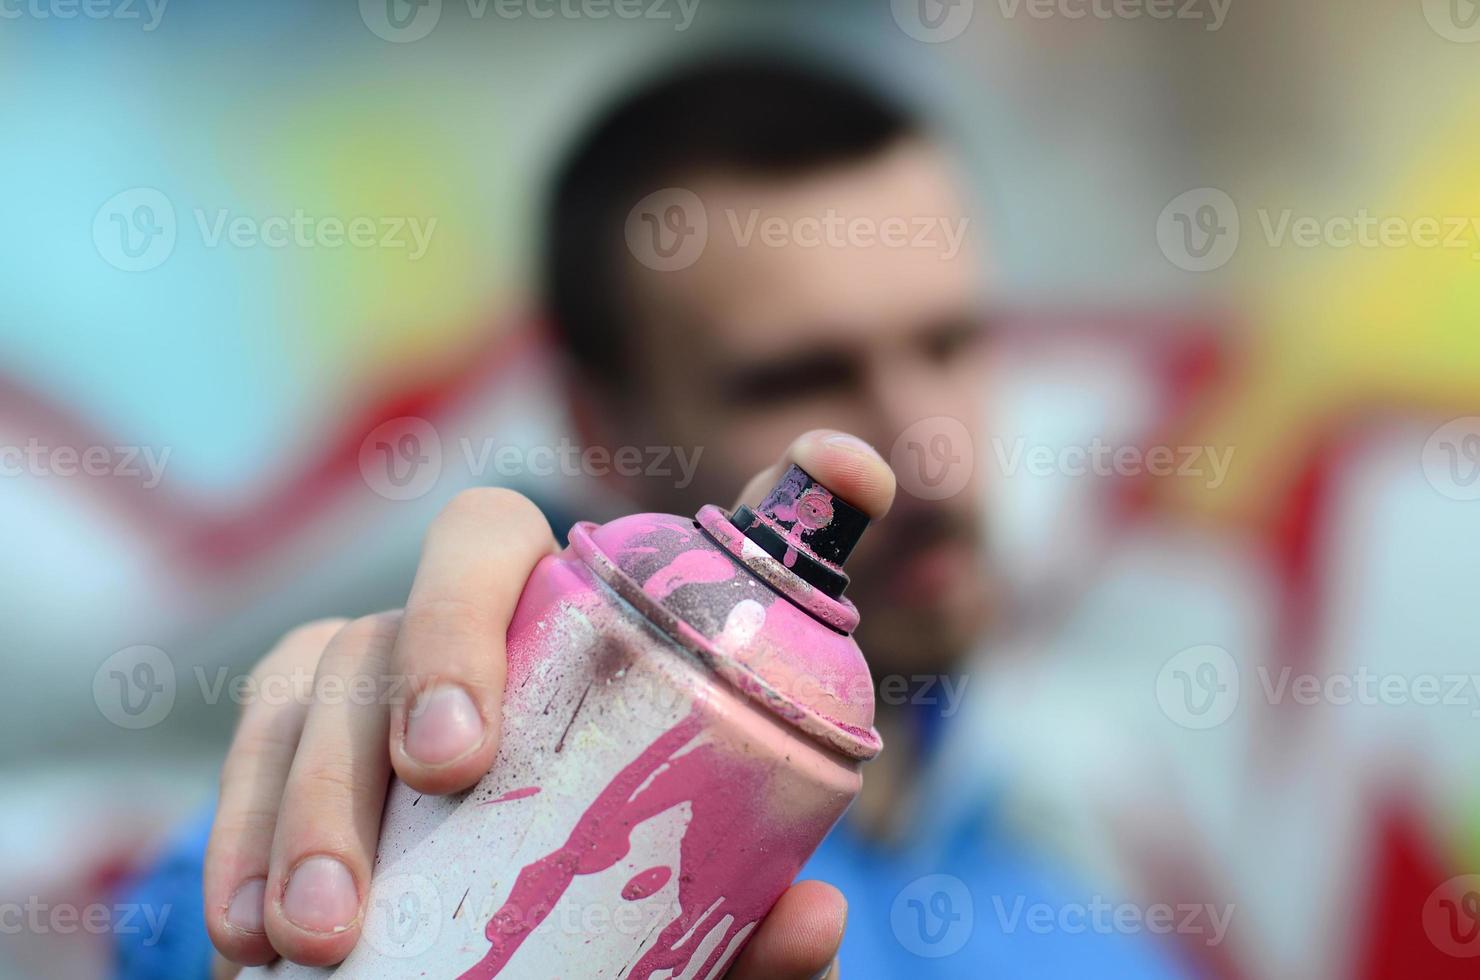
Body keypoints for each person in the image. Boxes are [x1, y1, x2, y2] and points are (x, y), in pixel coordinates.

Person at [117, 57, 1193, 978]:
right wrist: (312, 885)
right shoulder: (478, 829)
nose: (919, 448)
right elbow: (191, 926)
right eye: (795, 378)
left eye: (950, 343)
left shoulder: (1084, 925)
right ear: (602, 428)